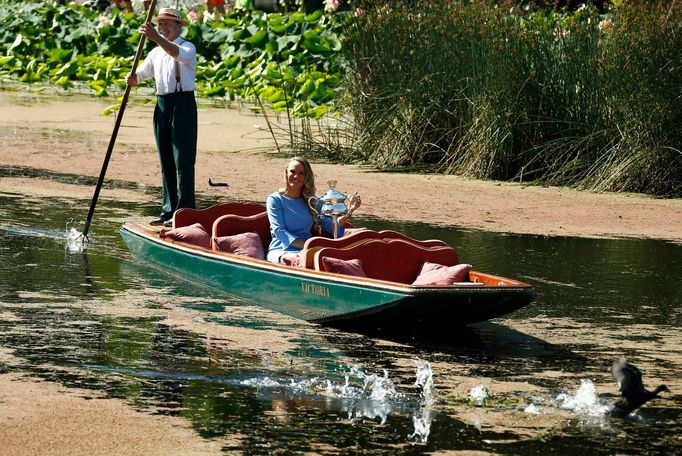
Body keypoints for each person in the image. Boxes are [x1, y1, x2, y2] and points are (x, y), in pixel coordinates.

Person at [126, 8, 198, 227]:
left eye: (168, 24)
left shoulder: (187, 47)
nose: (163, 28)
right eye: (160, 24)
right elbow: (142, 73)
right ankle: (168, 211)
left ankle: (184, 213)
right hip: (162, 105)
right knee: (165, 160)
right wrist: (133, 78)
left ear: (178, 26)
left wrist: (155, 38)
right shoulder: (155, 53)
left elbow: (177, 54)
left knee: (182, 161)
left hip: (182, 104)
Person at [266, 157, 361, 264]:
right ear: (286, 173)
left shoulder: (312, 201)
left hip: (309, 250)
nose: (296, 176)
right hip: (282, 251)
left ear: (306, 176)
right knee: (306, 260)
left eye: (301, 173)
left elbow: (332, 227)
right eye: (292, 172)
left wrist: (350, 211)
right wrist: (308, 246)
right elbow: (279, 231)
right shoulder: (275, 199)